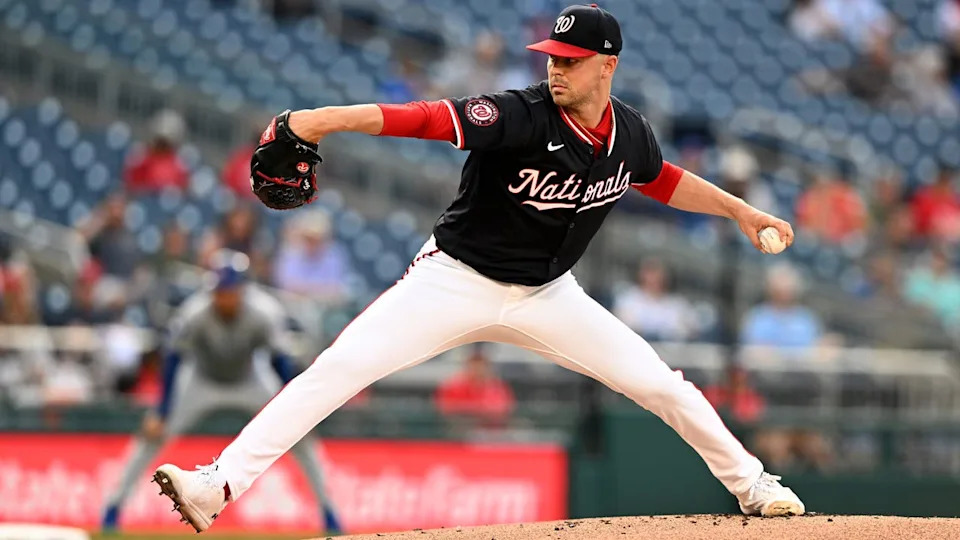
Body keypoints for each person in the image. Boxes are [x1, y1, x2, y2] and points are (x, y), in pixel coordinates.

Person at [153, 5, 805, 533]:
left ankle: (754, 486)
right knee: (338, 368)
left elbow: (660, 179)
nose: (557, 71)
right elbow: (424, 119)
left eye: (572, 62)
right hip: (454, 280)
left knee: (663, 386)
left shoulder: (630, 134)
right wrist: (321, 121)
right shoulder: (521, 115)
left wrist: (739, 211)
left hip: (550, 294)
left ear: (608, 65)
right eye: (553, 58)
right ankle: (217, 484)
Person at [102, 251, 342, 534]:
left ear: (243, 289)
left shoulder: (264, 311)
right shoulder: (196, 311)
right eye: (220, 290)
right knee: (154, 431)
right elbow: (173, 358)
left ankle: (329, 512)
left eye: (230, 290)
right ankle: (113, 508)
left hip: (250, 379)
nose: (225, 296)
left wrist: (293, 409)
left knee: (298, 435)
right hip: (201, 381)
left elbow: (280, 361)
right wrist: (163, 410)